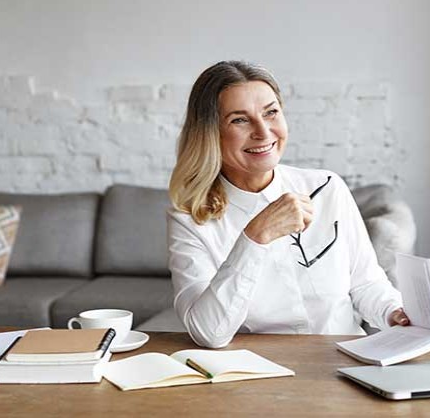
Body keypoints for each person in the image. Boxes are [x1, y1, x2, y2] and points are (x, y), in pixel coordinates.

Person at [167, 60, 409, 348]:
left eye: (271, 113)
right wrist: (254, 237)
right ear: (210, 133)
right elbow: (208, 333)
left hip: (347, 361)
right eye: (239, 120)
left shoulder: (327, 187)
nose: (263, 131)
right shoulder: (190, 218)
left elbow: (365, 282)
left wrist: (395, 313)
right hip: (263, 373)